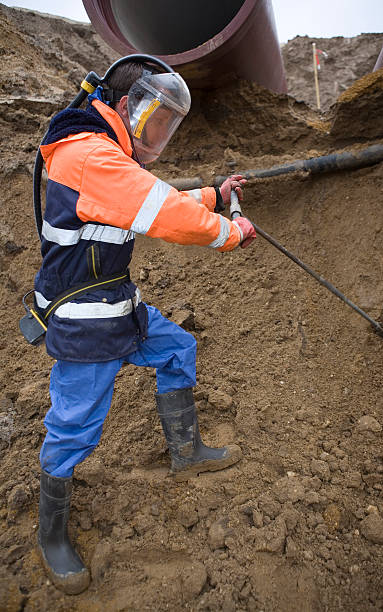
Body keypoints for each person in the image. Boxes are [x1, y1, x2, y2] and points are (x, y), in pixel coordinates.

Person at [33, 56, 256, 594]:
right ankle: (51, 535)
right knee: (74, 427)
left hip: (118, 306)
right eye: (156, 119)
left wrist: (215, 197)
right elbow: (164, 213)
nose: (159, 134)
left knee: (178, 348)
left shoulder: (103, 152)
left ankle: (186, 452)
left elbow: (149, 197)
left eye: (167, 124)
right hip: (86, 324)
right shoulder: (89, 155)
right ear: (126, 105)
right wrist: (230, 231)